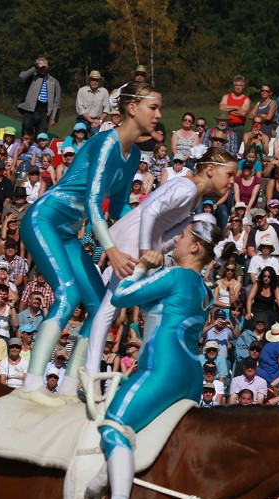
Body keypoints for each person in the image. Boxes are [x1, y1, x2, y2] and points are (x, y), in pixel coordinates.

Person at [15, 81, 159, 398]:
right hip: (44, 219)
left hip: (67, 231)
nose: (158, 114)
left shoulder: (134, 155)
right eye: (153, 107)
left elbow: (119, 207)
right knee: (67, 294)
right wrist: (112, 250)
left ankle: (68, 385)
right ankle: (32, 382)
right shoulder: (106, 144)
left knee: (98, 306)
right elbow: (94, 203)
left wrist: (146, 238)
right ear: (132, 109)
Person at [96, 219, 222, 499]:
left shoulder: (175, 275)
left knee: (112, 428)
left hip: (162, 367)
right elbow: (157, 309)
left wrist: (141, 267)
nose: (175, 241)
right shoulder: (205, 291)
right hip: (192, 376)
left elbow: (121, 296)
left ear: (195, 247)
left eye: (181, 237)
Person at [84, 147, 238, 377]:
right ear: (209, 170)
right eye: (229, 175)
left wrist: (159, 250)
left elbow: (170, 230)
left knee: (133, 306)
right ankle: (90, 368)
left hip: (151, 242)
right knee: (110, 307)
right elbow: (149, 212)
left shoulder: (194, 197)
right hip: (135, 239)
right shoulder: (185, 188)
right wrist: (146, 250)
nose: (231, 182)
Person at [18, 58, 61, 135]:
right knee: (26, 134)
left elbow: (56, 102)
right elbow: (22, 76)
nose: (42, 69)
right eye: (40, 66)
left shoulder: (54, 81)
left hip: (44, 113)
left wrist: (54, 117)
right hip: (29, 111)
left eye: (44, 66)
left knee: (41, 137)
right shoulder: (31, 77)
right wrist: (35, 67)